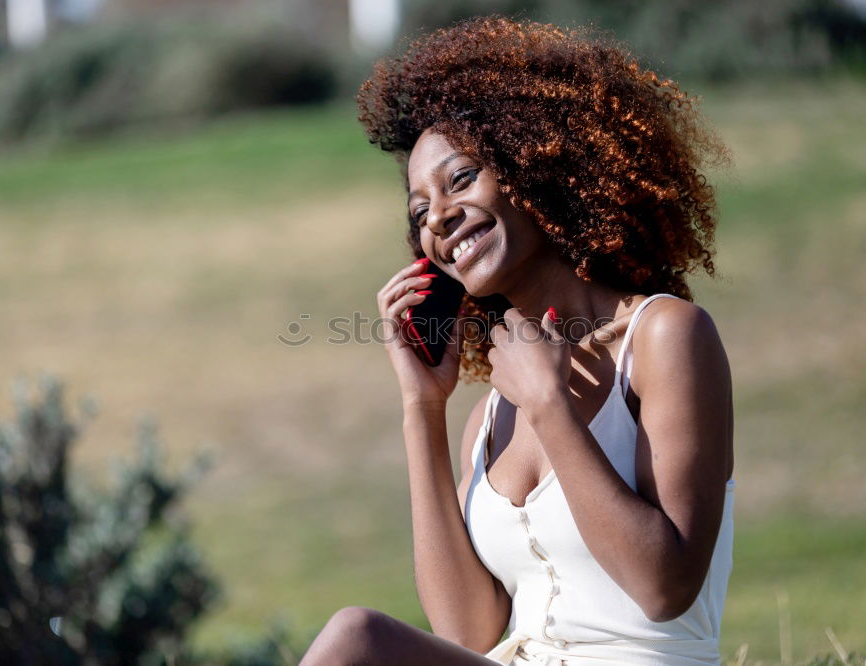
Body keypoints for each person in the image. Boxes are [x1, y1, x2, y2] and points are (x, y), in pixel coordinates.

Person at [300, 16, 734, 666]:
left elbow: (665, 588)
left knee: (354, 639)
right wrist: (422, 408)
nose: (439, 217)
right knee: (358, 642)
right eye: (419, 213)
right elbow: (467, 632)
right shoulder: (489, 418)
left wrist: (551, 408)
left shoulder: (666, 336)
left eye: (460, 179)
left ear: (533, 162)